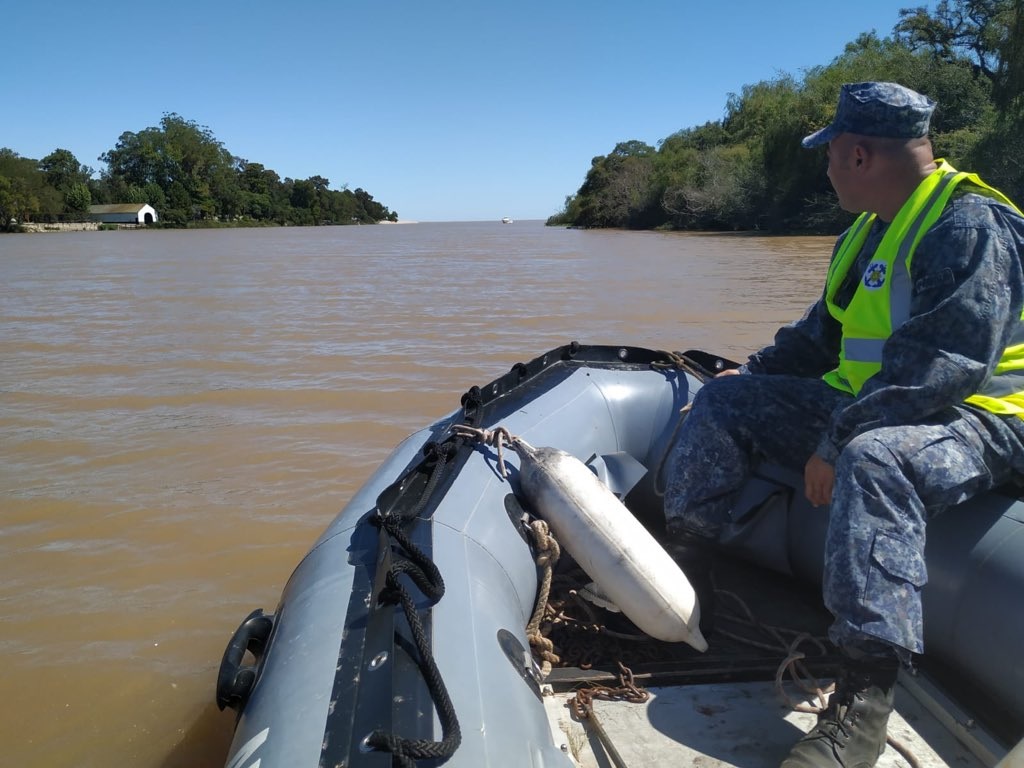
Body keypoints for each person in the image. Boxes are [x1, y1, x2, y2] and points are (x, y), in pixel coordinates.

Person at [663, 81, 1024, 768]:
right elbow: (818, 337)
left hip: (986, 421)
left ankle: (864, 699)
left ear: (858, 154)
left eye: (829, 153)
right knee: (725, 402)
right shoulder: (867, 231)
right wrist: (752, 373)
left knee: (874, 458)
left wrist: (836, 440)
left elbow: (942, 368)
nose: (825, 168)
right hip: (886, 408)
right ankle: (688, 576)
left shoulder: (967, 225)